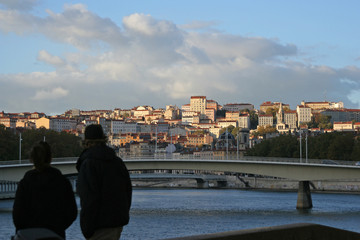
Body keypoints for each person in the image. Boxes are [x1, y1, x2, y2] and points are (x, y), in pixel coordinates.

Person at [76, 124, 132, 240]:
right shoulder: (117, 162)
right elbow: (128, 191)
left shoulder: (88, 164)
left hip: (98, 225)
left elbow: (88, 198)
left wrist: (87, 228)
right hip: (116, 223)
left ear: (86, 142)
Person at [12, 141, 77, 239]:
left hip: (27, 236)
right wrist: (58, 227)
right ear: (50, 158)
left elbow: (17, 215)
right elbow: (71, 212)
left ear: (32, 159)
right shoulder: (62, 182)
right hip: (54, 235)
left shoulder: (25, 183)